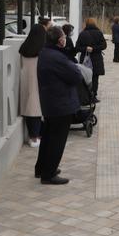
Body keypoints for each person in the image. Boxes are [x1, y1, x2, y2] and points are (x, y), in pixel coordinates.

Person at [35, 26, 85, 185]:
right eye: (63, 36)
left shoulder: (45, 53)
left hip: (50, 102)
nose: (65, 38)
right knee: (57, 140)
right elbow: (76, 76)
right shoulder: (57, 57)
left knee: (48, 137)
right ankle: (48, 174)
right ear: (59, 40)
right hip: (61, 104)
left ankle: (41, 168)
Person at [18, 24, 46, 148]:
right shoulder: (42, 49)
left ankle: (33, 137)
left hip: (26, 82)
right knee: (36, 109)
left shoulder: (24, 48)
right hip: (39, 81)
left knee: (30, 108)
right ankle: (35, 138)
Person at [76, 18, 107, 102]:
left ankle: (86, 95)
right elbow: (104, 46)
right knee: (95, 78)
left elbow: (77, 47)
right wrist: (94, 48)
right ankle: (93, 96)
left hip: (85, 58)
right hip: (96, 58)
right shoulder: (99, 33)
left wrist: (86, 48)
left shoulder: (82, 34)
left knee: (85, 77)